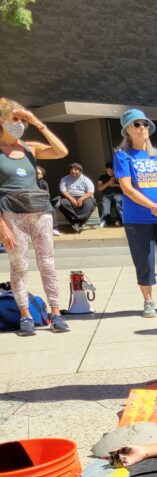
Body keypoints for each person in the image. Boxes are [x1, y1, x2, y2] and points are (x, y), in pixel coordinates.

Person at [0, 98, 70, 336]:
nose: (19, 124)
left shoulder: (29, 147)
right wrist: (2, 226)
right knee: (19, 265)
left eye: (21, 119)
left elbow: (61, 151)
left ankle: (56, 313)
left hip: (40, 211)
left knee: (48, 263)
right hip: (11, 213)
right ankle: (25, 316)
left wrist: (37, 122)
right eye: (15, 119)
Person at [114, 108, 157, 318]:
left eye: (145, 124)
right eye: (137, 124)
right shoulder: (123, 155)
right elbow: (127, 188)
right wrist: (153, 207)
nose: (142, 128)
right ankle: (148, 300)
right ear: (128, 130)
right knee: (143, 259)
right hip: (138, 217)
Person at [55, 162, 96, 233]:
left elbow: (90, 192)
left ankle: (76, 222)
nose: (73, 171)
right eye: (71, 169)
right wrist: (72, 199)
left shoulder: (85, 179)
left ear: (80, 171)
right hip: (69, 197)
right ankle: (79, 222)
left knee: (90, 203)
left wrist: (81, 199)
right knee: (62, 203)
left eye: (76, 169)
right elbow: (63, 191)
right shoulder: (65, 179)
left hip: (84, 197)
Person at [96, 161, 123, 226]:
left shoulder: (119, 176)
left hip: (117, 193)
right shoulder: (102, 177)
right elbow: (99, 188)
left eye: (113, 170)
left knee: (119, 201)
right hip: (106, 195)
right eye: (109, 170)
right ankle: (105, 220)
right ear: (106, 169)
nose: (111, 172)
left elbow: (125, 186)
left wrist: (116, 185)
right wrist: (108, 183)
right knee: (105, 204)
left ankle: (123, 220)